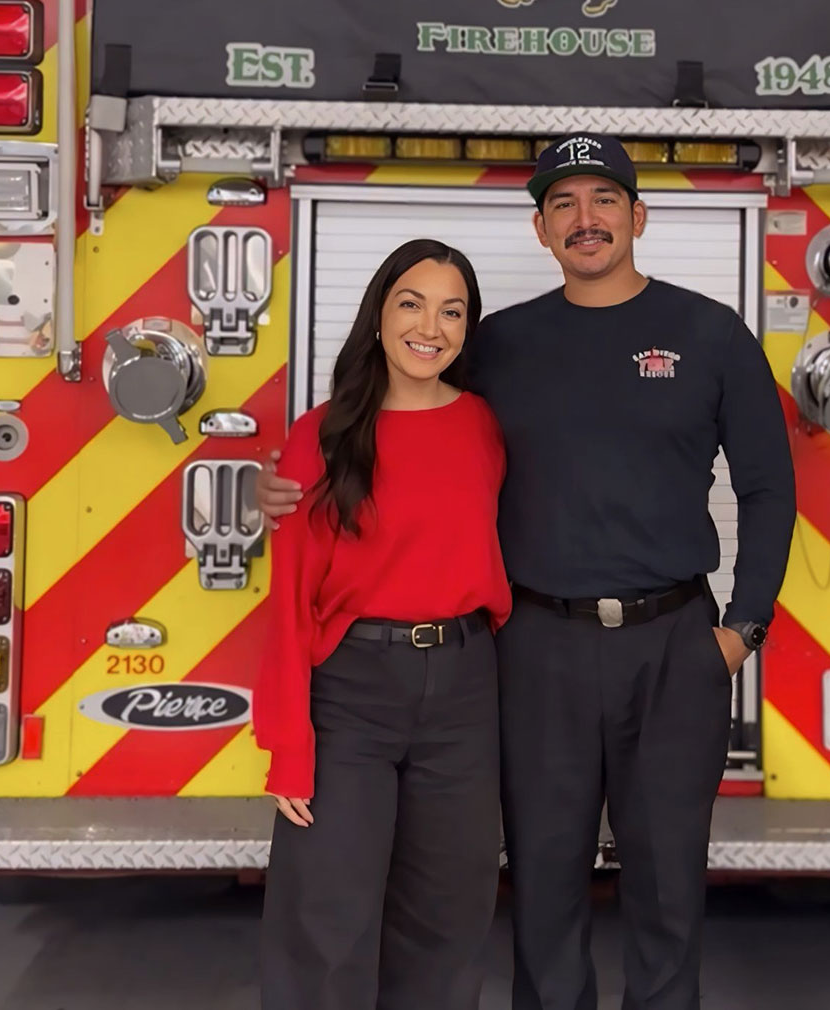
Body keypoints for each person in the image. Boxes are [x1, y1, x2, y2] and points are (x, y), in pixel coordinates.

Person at [258, 134, 796, 1010]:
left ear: (638, 216)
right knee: (543, 883)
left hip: (675, 646)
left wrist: (742, 630)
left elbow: (768, 487)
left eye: (604, 199)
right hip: (537, 649)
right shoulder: (499, 345)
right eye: (563, 205)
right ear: (541, 230)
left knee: (668, 886)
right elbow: (399, 430)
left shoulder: (710, 334)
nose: (585, 219)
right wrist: (289, 487)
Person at [254, 238, 512, 1010]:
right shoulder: (323, 435)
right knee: (326, 916)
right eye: (411, 304)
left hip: (465, 685)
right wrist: (288, 746)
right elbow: (291, 596)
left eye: (451, 311)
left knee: (448, 917)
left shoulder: (485, 426)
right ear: (377, 316)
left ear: (467, 330)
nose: (429, 327)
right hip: (353, 694)